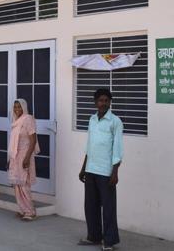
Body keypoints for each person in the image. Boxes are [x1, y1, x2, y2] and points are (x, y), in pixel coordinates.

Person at [78, 88, 123, 251]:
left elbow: (117, 148)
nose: (103, 103)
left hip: (106, 172)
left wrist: (115, 172)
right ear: (95, 102)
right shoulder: (92, 119)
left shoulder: (115, 121)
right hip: (91, 169)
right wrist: (83, 168)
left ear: (110, 102)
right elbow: (89, 146)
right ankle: (94, 236)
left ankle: (109, 240)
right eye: (100, 100)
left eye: (106, 100)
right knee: (90, 206)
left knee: (108, 208)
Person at [7, 99, 40, 221]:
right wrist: (10, 158)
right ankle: (23, 209)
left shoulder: (28, 119)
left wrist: (26, 158)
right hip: (15, 156)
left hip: (24, 155)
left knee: (24, 183)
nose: (17, 109)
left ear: (24, 107)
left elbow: (33, 140)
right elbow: (13, 143)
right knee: (17, 184)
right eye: (15, 107)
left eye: (19, 107)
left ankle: (30, 211)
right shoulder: (16, 121)